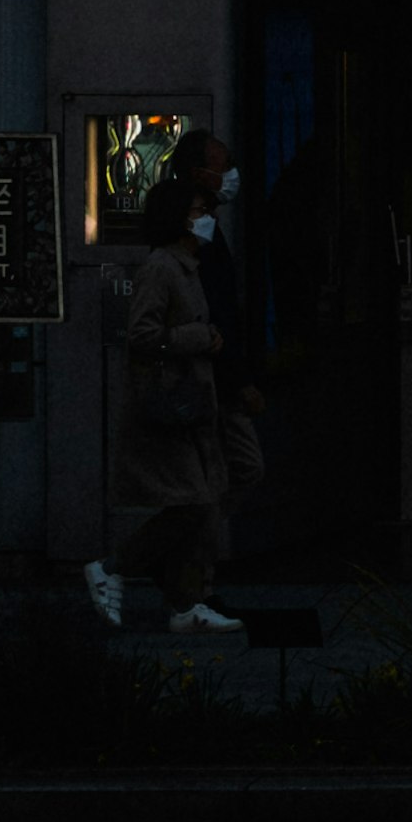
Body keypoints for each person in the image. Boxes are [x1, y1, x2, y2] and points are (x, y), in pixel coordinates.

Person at [88, 135, 247, 639]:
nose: (208, 217)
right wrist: (200, 337)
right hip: (171, 406)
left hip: (190, 403)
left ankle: (184, 604)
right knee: (195, 504)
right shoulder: (164, 268)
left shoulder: (188, 265)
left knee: (201, 501)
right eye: (200, 210)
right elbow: (142, 336)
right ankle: (114, 567)